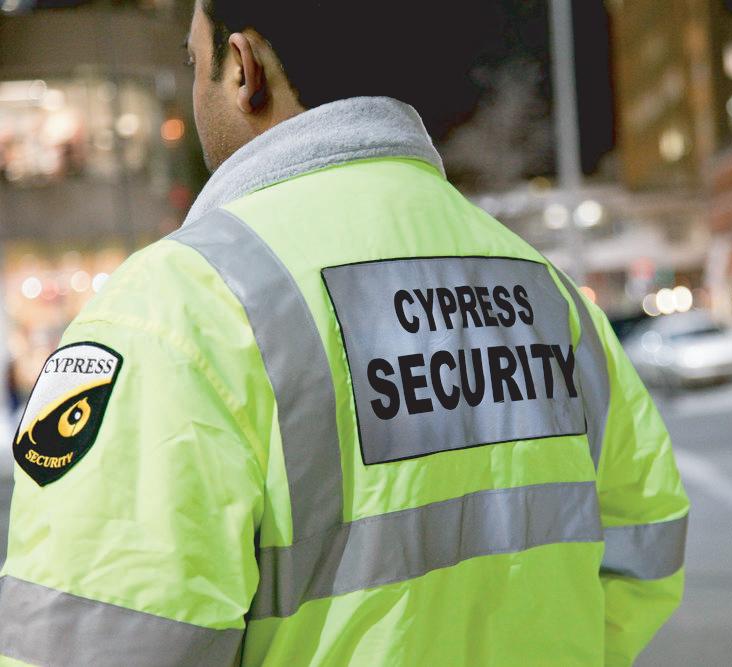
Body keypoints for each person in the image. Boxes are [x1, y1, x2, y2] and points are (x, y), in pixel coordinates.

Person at [0, 2, 689, 665]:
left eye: (195, 61)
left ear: (243, 69)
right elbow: (645, 546)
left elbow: (97, 643)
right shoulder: (548, 292)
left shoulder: (177, 306)